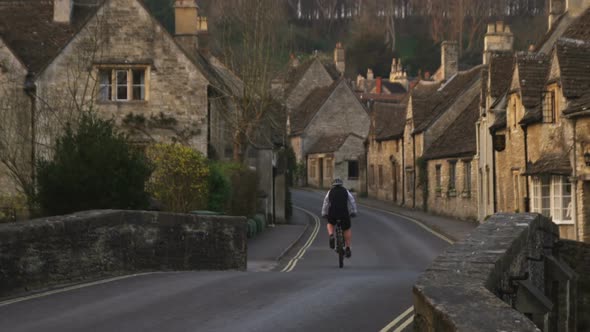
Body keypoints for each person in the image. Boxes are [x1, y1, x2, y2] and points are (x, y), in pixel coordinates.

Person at [321, 177, 357, 258]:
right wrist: (354, 211)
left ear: (333, 185)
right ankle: (347, 248)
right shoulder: (346, 191)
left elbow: (325, 203)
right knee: (347, 228)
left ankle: (331, 235)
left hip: (333, 213)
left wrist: (324, 213)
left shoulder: (330, 192)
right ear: (341, 185)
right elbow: (352, 201)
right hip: (344, 213)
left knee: (330, 223)